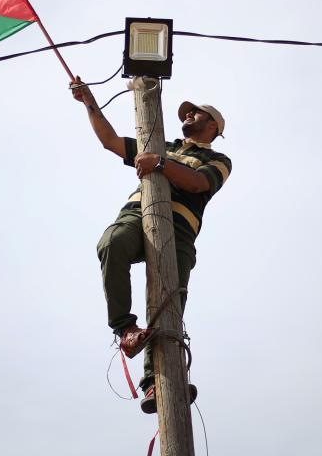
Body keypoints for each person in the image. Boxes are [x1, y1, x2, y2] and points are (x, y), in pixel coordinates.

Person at [70, 77, 232, 413]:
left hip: (180, 230)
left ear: (212, 125)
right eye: (187, 113)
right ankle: (125, 328)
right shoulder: (159, 142)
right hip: (138, 213)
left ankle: (154, 381)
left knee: (168, 301)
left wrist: (159, 164)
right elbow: (111, 141)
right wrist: (89, 103)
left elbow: (199, 182)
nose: (187, 116)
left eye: (196, 114)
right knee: (112, 242)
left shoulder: (218, 160)